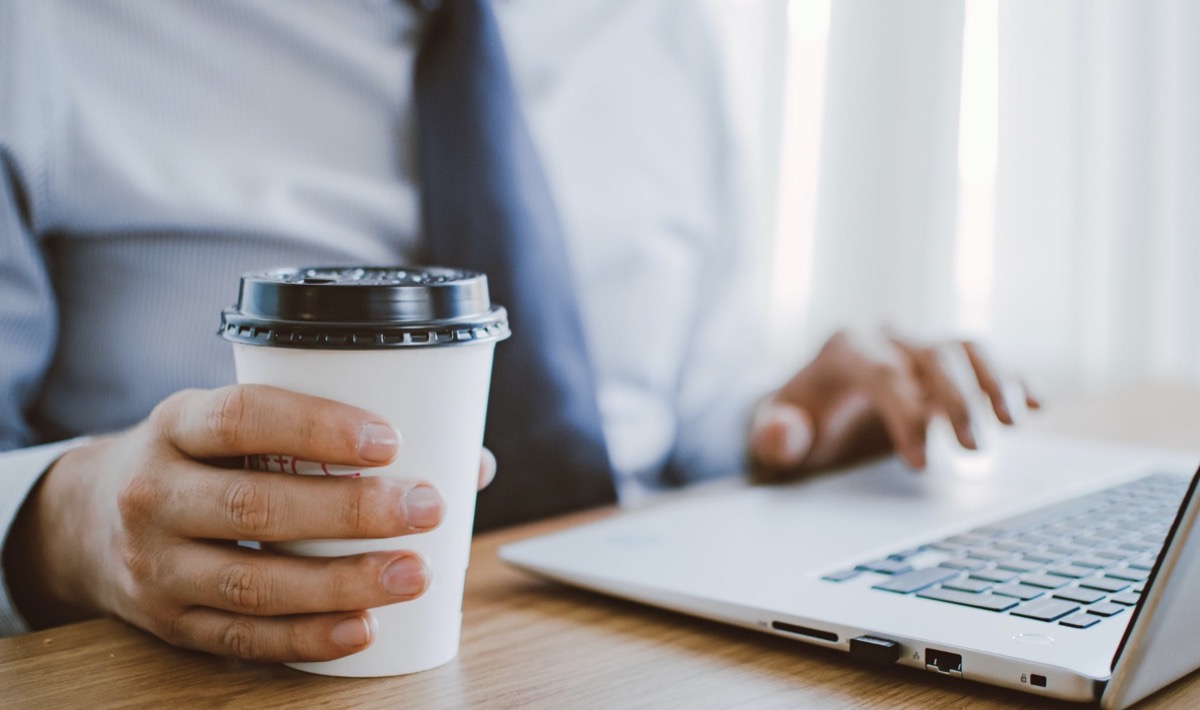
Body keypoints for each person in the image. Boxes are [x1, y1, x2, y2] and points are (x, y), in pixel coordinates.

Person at [0, 0, 1035, 664]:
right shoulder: (45, 28)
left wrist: (782, 424)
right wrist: (63, 522)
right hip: (233, 674)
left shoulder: (661, 30)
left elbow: (674, 410)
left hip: (638, 655)